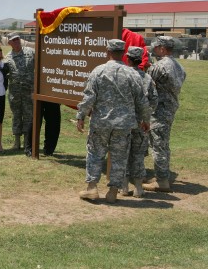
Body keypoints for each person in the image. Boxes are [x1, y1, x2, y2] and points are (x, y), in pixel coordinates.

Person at [76, 39, 150, 203]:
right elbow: (142, 101)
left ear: (107, 52)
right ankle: (113, 192)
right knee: (119, 157)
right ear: (123, 53)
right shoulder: (132, 74)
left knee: (95, 153)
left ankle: (92, 188)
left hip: (101, 122)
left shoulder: (98, 71)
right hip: (123, 125)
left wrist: (81, 116)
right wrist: (146, 119)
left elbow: (89, 97)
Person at [143, 36, 186, 192]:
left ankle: (162, 182)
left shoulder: (159, 66)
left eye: (155, 48)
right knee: (163, 144)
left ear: (162, 48)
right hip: (170, 108)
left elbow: (146, 85)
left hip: (158, 110)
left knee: (158, 145)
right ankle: (162, 176)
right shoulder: (179, 66)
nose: (153, 50)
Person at [122, 46, 158, 198]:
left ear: (128, 59)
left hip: (123, 122)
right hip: (141, 122)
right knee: (137, 155)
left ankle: (123, 188)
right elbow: (154, 100)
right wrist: (146, 117)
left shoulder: (122, 75)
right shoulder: (147, 78)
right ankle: (138, 188)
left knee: (122, 154)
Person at [4, 32, 34, 156]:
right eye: (13, 40)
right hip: (15, 93)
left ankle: (28, 143)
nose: (16, 42)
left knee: (29, 116)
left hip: (29, 92)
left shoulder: (31, 52)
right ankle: (17, 143)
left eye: (17, 39)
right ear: (9, 43)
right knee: (16, 116)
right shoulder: (7, 57)